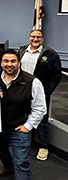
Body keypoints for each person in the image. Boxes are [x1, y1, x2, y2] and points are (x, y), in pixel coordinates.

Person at [0, 50, 46, 180]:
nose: (9, 64)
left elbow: (40, 108)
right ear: (1, 63)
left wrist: (28, 126)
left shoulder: (32, 82)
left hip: (19, 127)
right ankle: (8, 167)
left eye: (13, 61)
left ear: (19, 63)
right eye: (6, 61)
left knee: (21, 162)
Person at [18, 29, 62, 161]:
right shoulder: (22, 51)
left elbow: (57, 74)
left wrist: (48, 91)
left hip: (41, 93)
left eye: (38, 37)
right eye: (33, 36)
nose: (35, 39)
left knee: (42, 120)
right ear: (29, 37)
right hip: (22, 91)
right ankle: (23, 142)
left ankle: (43, 146)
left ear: (42, 39)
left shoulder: (50, 54)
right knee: (22, 117)